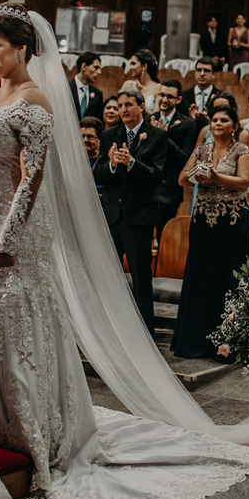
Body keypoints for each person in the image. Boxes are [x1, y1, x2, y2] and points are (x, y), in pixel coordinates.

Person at [0, 2, 249, 499]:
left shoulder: (34, 101)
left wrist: (8, 237)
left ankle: (32, 430)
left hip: (14, 236)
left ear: (23, 49)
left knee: (12, 322)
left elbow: (32, 179)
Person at [172, 104, 249, 360]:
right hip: (203, 225)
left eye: (223, 120)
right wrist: (196, 174)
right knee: (201, 278)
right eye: (214, 120)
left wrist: (216, 177)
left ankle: (228, 344)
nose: (217, 124)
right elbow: (181, 178)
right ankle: (195, 341)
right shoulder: (202, 150)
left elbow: (244, 182)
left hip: (232, 224)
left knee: (229, 281)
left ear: (234, 126)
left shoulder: (244, 151)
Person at [94, 86, 170, 332]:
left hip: (139, 216)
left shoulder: (157, 136)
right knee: (109, 275)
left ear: (141, 106)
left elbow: (156, 176)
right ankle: (111, 326)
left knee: (140, 278)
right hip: (112, 215)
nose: (123, 109)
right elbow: (99, 173)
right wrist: (114, 165)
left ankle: (144, 331)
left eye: (128, 105)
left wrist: (132, 163)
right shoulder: (109, 135)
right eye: (119, 105)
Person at [149, 80, 198, 220]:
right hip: (148, 189)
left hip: (169, 190)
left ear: (179, 99)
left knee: (164, 236)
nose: (164, 100)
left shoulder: (188, 124)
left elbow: (185, 158)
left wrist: (164, 137)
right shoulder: (148, 121)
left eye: (169, 97)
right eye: (162, 95)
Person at [122, 49, 161, 113]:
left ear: (144, 66)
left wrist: (136, 97)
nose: (130, 68)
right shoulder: (127, 85)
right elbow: (119, 107)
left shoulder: (158, 88)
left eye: (133, 64)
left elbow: (155, 117)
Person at [70, 51, 103, 119]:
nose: (99, 72)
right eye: (96, 68)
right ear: (84, 66)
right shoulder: (66, 88)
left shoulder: (97, 94)